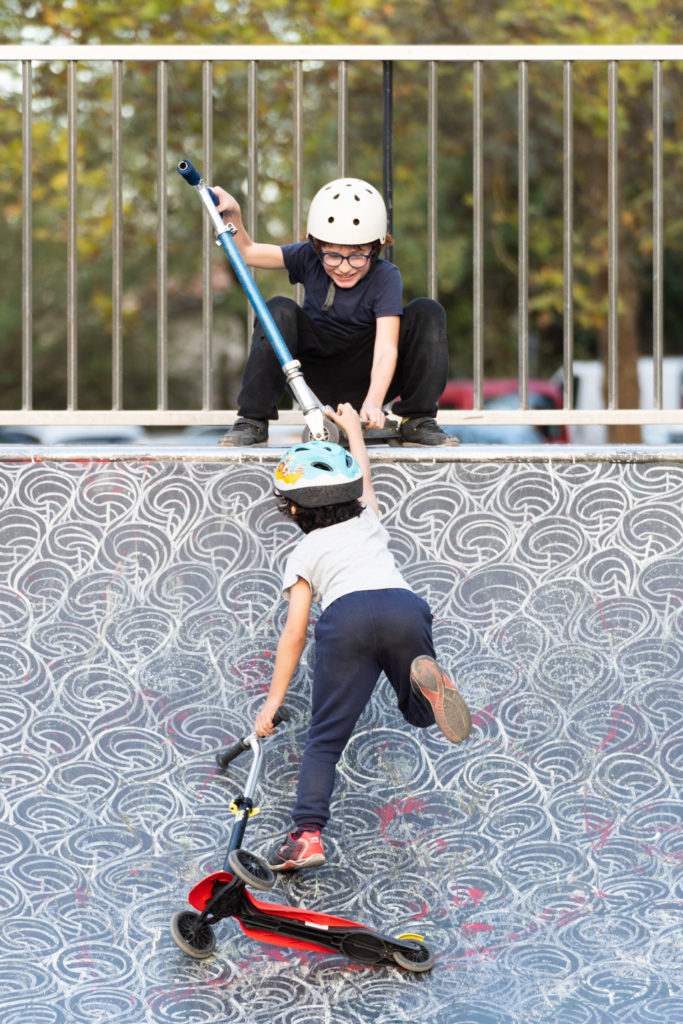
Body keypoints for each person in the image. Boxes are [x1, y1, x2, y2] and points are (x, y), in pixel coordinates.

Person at [254, 402, 471, 871]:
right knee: (418, 714)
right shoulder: (367, 518)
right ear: (348, 493)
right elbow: (364, 474)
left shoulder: (303, 553)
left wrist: (272, 702)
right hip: (402, 606)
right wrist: (352, 428)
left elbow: (294, 634)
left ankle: (307, 836)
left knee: (325, 741)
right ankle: (424, 688)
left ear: (293, 509)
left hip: (346, 618)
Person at [211, 177, 457, 447]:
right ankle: (253, 421)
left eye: (357, 255)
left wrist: (374, 403)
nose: (344, 267)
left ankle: (418, 420)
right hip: (317, 372)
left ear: (375, 248)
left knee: (427, 310)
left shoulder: (386, 276)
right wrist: (232, 213)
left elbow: (387, 348)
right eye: (333, 255)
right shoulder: (307, 256)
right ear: (317, 246)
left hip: (368, 375)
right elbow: (247, 252)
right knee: (278, 308)